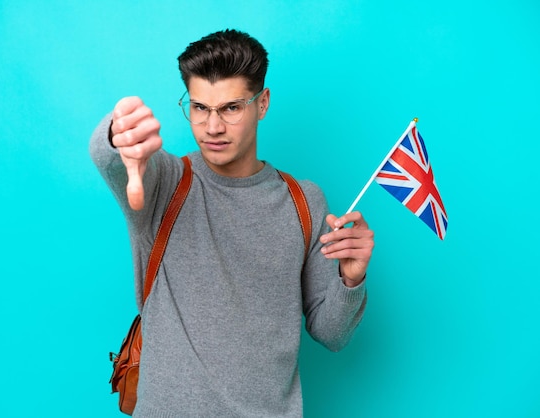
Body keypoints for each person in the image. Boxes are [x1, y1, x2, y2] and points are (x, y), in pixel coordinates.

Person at [90, 29, 374, 417]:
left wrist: (350, 280)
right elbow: (108, 157)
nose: (212, 127)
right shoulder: (165, 182)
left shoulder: (304, 201)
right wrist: (119, 132)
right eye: (199, 107)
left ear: (263, 103)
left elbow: (332, 334)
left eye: (230, 108)